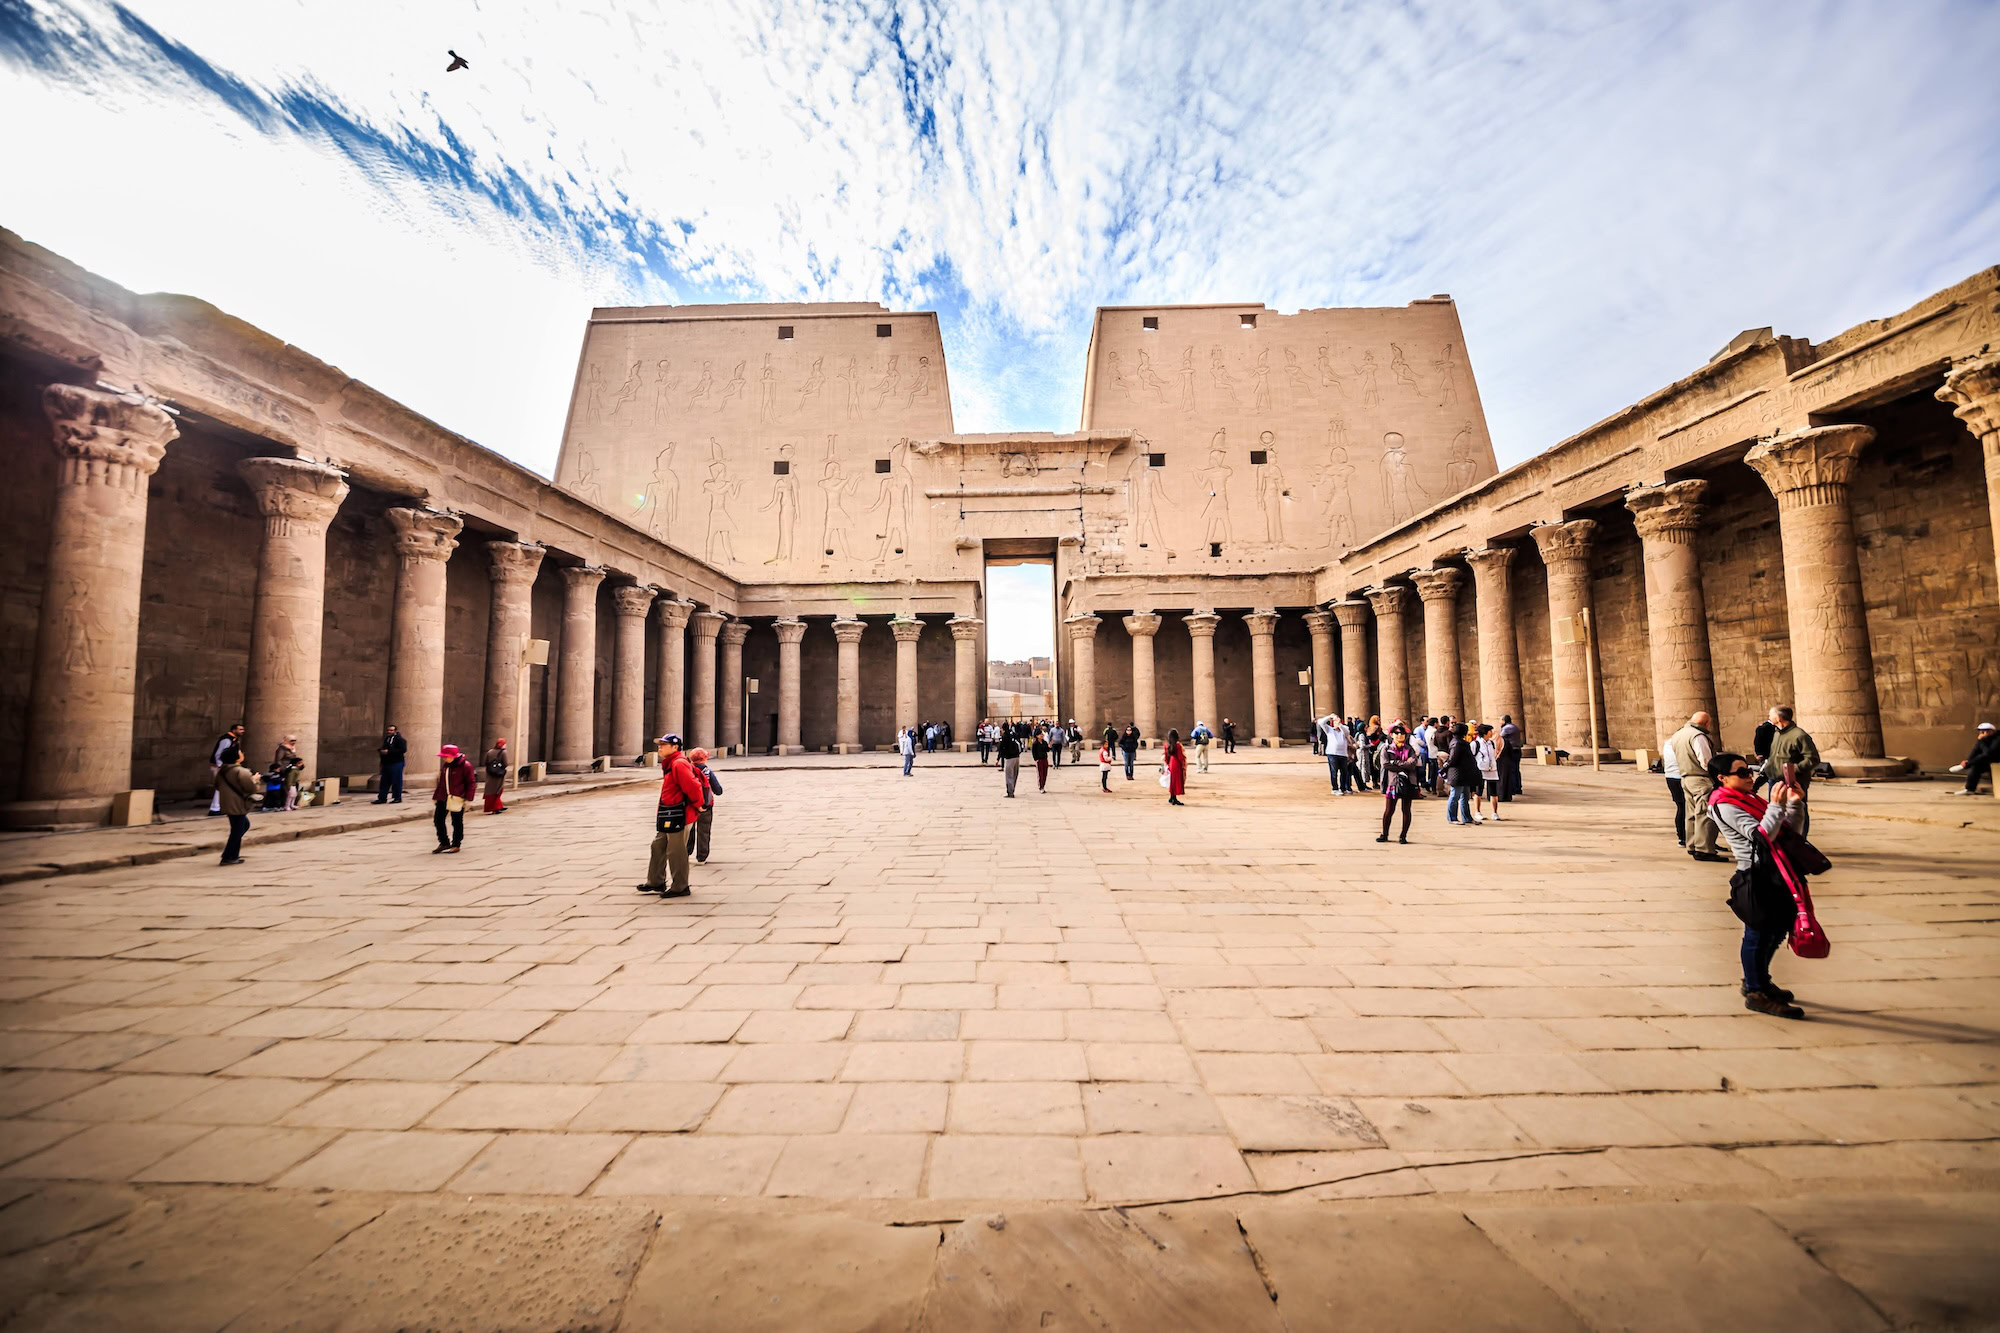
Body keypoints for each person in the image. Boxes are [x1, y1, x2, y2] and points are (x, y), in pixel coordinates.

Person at [1707, 751, 1809, 1019]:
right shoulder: (1724, 804)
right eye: (1741, 773)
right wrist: (1776, 805)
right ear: (1722, 778)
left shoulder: (1748, 799)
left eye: (1749, 770)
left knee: (1775, 932)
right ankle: (1755, 991)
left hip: (1776, 872)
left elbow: (1787, 833)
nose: (1749, 776)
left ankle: (1759, 979)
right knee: (1758, 935)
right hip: (1754, 875)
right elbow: (1761, 836)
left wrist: (1794, 805)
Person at [638, 733, 706, 898]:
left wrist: (698, 804)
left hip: (679, 814)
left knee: (676, 851)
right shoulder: (671, 763)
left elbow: (693, 786)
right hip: (669, 813)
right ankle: (656, 881)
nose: (660, 747)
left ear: (675, 747)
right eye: (659, 744)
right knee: (658, 845)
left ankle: (680, 886)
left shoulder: (678, 764)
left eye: (663, 744)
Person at [1666, 712, 1723, 860]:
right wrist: (1717, 776)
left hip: (1685, 777)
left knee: (1691, 813)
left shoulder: (1679, 735)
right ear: (1706, 723)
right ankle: (1704, 849)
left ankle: (1691, 845)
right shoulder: (1698, 736)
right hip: (1700, 779)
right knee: (1704, 814)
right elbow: (1705, 760)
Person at [1761, 706, 1820, 836]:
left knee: (1797, 808)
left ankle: (1800, 838)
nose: (1769, 717)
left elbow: (1812, 758)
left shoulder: (1799, 735)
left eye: (1770, 715)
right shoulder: (1777, 733)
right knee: (1776, 809)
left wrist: (1794, 770)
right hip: (1775, 779)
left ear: (1778, 717)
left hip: (1793, 780)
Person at [1375, 724, 1422, 844]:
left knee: (1406, 809)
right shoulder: (1387, 749)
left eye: (1402, 733)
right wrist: (1404, 764)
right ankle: (1384, 834)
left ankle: (1403, 835)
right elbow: (1385, 764)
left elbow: (1412, 763)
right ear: (1391, 735)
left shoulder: (1409, 749)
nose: (1400, 735)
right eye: (1397, 733)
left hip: (1408, 781)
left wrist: (1396, 763)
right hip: (1393, 781)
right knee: (1389, 810)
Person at [214, 744, 257, 865]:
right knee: (237, 830)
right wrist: (255, 780)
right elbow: (251, 788)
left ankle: (231, 854)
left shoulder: (222, 771)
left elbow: (217, 786)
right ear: (237, 758)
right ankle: (229, 856)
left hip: (228, 803)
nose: (242, 753)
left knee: (242, 826)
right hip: (238, 803)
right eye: (240, 752)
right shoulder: (241, 771)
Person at [688, 747, 723, 863]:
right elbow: (718, 790)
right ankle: (701, 857)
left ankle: (686, 853)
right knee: (704, 831)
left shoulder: (687, 770)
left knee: (689, 830)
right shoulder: (707, 771)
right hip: (705, 805)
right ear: (704, 759)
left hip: (690, 804)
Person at [1947, 722, 1998, 796]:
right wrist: (1968, 760)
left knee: (1983, 760)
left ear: (1991, 731)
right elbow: (1975, 751)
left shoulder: (1998, 739)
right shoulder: (1984, 739)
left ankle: (1966, 765)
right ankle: (1970, 789)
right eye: (1981, 731)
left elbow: (1988, 754)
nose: (1982, 733)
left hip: (1997, 762)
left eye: (1984, 731)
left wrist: (1981, 741)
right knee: (1976, 767)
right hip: (1991, 762)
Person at [1445, 722, 1480, 825]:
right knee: (1455, 795)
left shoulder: (1460, 742)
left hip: (1464, 773)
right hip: (1457, 774)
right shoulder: (1457, 743)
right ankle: (1452, 817)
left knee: (1465, 796)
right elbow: (1453, 759)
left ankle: (1467, 817)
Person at [207, 723, 245, 815]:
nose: (242, 731)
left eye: (242, 729)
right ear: (234, 730)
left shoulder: (234, 740)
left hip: (226, 766)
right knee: (220, 787)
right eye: (240, 729)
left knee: (223, 787)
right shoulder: (226, 739)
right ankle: (215, 808)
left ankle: (219, 807)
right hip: (220, 766)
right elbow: (218, 754)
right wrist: (221, 766)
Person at [1472, 723, 1501, 821]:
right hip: (1480, 770)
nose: (1492, 733)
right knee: (1478, 792)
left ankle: (1495, 812)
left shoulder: (1491, 743)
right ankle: (1477, 811)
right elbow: (1472, 757)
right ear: (1485, 733)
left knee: (1494, 793)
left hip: (1492, 770)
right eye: (1490, 731)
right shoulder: (1475, 744)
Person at [374, 723, 407, 804]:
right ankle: (382, 798)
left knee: (396, 781)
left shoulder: (400, 740)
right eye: (388, 730)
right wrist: (381, 751)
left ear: (395, 731)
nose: (389, 731)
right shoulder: (387, 739)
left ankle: (397, 798)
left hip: (396, 762)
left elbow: (403, 750)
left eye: (391, 730)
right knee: (384, 781)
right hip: (387, 763)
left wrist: (389, 752)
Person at [271, 735, 305, 811]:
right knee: (287, 787)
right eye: (291, 740)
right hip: (285, 769)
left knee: (294, 787)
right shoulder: (282, 749)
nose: (293, 742)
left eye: (294, 740)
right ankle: (285, 804)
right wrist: (280, 769)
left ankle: (292, 804)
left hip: (292, 768)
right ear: (287, 740)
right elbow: (278, 759)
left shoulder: (292, 748)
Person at [1750, 709, 1779, 797]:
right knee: (1765, 773)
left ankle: (1754, 788)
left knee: (1767, 775)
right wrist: (1759, 753)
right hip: (1767, 754)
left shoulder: (1775, 728)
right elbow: (1758, 741)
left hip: (1773, 755)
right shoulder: (1764, 727)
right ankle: (1753, 788)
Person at [1498, 714, 1523, 801]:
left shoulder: (1507, 728)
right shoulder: (1513, 726)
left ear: (1504, 721)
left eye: (1500, 720)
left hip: (1512, 751)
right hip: (1517, 750)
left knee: (1512, 769)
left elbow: (1499, 737)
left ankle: (1513, 788)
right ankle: (1518, 787)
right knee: (1516, 770)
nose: (1499, 722)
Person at [1323, 714, 1349, 794]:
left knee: (1344, 772)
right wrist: (1329, 717)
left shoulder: (1344, 729)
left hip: (1343, 754)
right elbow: (1321, 723)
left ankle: (1343, 788)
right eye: (1335, 721)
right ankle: (1335, 788)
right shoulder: (1329, 730)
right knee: (1334, 772)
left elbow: (1346, 732)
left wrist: (1339, 724)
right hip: (1332, 753)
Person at [482, 739, 509, 813]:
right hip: (499, 774)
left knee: (490, 791)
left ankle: (497, 806)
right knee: (498, 790)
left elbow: (485, 762)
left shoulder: (489, 752)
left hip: (490, 774)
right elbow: (506, 763)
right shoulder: (504, 752)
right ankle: (496, 807)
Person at [1164, 728, 1188, 806]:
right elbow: (1180, 756)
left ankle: (1172, 797)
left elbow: (1166, 756)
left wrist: (1167, 764)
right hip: (1177, 764)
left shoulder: (1167, 745)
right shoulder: (1177, 745)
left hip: (1171, 763)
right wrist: (1183, 764)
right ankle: (1174, 798)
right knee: (1176, 781)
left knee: (1172, 781)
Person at [997, 725, 1022, 797]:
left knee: (1009, 776)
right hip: (1017, 757)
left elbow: (1001, 748)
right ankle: (1012, 789)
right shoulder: (1014, 734)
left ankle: (1010, 792)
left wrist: (998, 759)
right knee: (1015, 775)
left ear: (1003, 729)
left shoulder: (1005, 736)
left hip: (1009, 757)